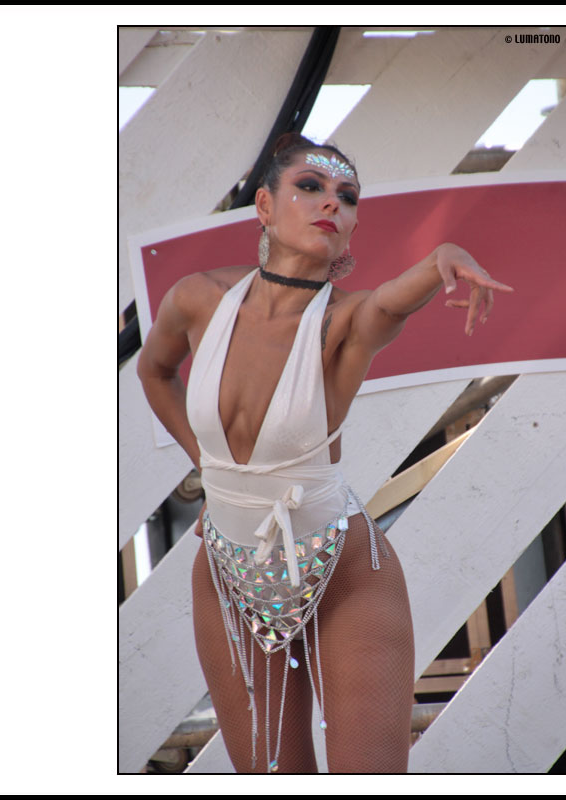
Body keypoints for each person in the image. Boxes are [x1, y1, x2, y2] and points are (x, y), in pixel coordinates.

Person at [136, 132, 513, 774]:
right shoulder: (197, 298)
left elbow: (389, 300)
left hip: (342, 570)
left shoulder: (345, 322)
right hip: (227, 572)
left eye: (348, 196)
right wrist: (212, 471)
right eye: (309, 187)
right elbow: (154, 370)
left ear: (354, 225)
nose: (331, 202)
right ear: (263, 206)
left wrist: (440, 258)